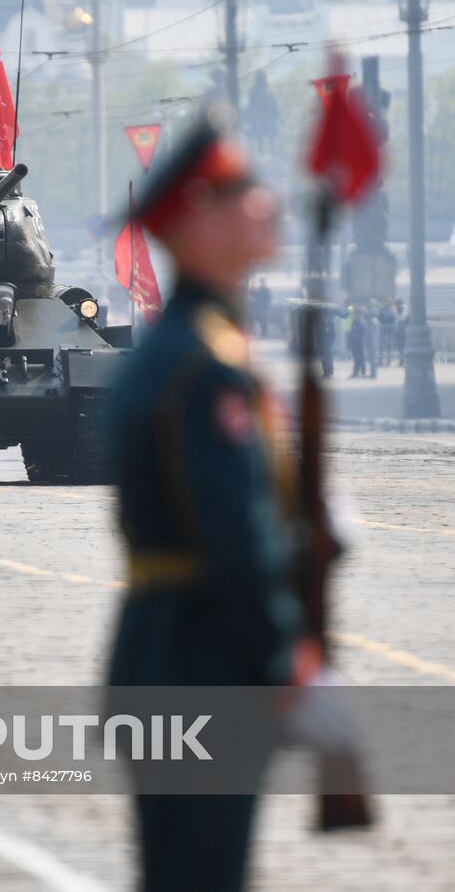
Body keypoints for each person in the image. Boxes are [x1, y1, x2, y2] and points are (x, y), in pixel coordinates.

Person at [105, 104, 318, 891]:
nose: (267, 203)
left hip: (167, 655)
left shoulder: (183, 352)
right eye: (240, 189)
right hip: (205, 662)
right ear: (198, 219)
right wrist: (286, 655)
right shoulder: (206, 366)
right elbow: (236, 541)